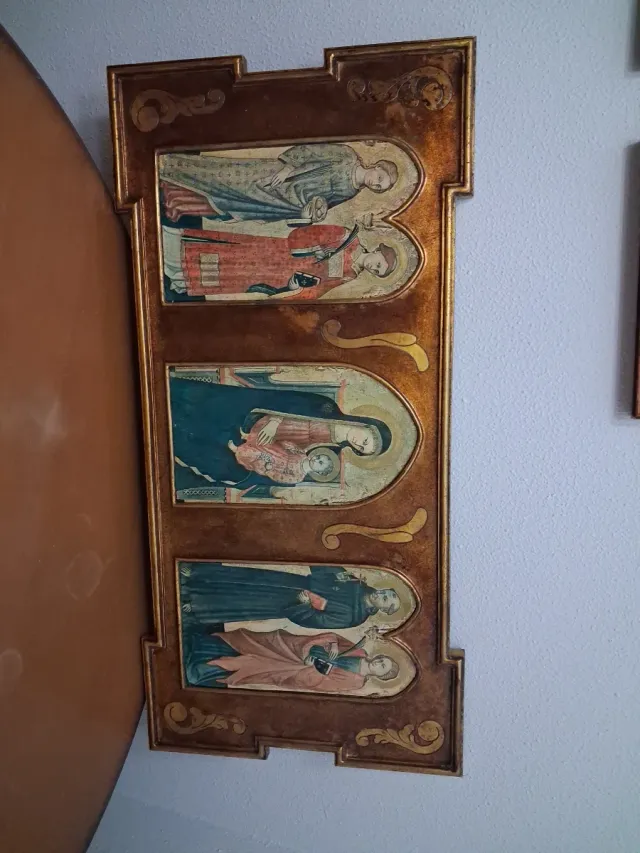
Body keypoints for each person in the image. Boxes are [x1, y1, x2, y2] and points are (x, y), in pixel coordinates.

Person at [169, 372, 392, 497]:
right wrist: (274, 421)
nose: (358, 444)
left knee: (227, 466)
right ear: (366, 425)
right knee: (208, 414)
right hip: (257, 415)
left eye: (362, 449)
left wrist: (264, 454)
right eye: (365, 440)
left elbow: (291, 456)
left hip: (262, 445)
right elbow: (286, 399)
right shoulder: (327, 408)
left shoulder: (329, 452)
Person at [158, 143, 398, 224]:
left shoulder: (352, 191)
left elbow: (327, 202)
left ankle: (175, 193)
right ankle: (171, 165)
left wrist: (314, 212)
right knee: (226, 175)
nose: (375, 184)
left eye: (379, 187)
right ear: (376, 167)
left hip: (286, 202)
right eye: (380, 178)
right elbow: (310, 151)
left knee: (235, 200)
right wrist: (287, 168)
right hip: (280, 177)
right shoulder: (347, 155)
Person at [162, 222, 397, 301]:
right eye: (379, 263)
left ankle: (181, 275)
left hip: (278, 278)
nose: (374, 268)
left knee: (235, 277)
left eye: (378, 272)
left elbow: (319, 291)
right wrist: (312, 251)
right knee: (232, 255)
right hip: (274, 253)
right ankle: (175, 251)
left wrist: (295, 289)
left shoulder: (349, 276)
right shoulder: (346, 237)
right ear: (377, 250)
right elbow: (303, 235)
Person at [179, 562, 401, 631]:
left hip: (289, 602)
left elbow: (316, 621)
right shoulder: (358, 584)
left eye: (385, 599)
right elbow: (327, 569)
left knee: (244, 600)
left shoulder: (353, 616)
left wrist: (302, 603)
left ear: (383, 610)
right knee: (248, 577)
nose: (381, 594)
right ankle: (197, 574)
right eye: (387, 592)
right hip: (293, 582)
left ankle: (195, 605)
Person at [182, 627, 400, 694]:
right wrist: (332, 643)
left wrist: (311, 666)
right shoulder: (359, 652)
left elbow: (320, 684)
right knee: (253, 641)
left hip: (294, 668)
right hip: (295, 648)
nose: (379, 662)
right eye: (382, 659)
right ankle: (200, 644)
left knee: (252, 665)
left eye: (382, 667)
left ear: (380, 676)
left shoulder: (355, 682)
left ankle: (199, 667)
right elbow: (333, 638)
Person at [228, 436, 336, 485]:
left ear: (319, 472)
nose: (316, 459)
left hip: (272, 465)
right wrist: (288, 446)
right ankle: (245, 439)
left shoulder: (298, 477)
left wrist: (270, 470)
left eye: (320, 462)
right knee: (264, 444)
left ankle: (238, 450)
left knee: (257, 456)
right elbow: (291, 446)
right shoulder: (302, 454)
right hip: (277, 452)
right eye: (318, 457)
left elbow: (281, 477)